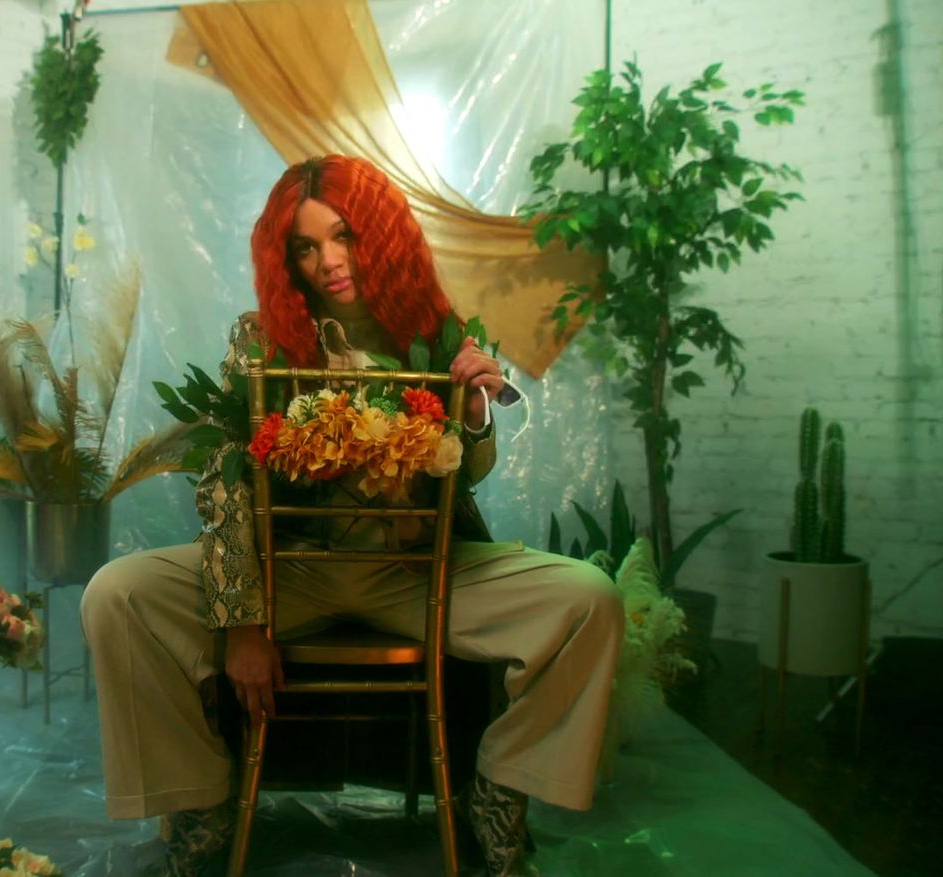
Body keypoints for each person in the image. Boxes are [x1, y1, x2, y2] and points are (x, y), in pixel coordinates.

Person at [81, 155, 624, 877]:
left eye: (342, 236)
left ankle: (501, 785)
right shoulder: (262, 339)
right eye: (304, 247)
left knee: (591, 599)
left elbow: (467, 474)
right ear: (286, 257)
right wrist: (242, 622)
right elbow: (226, 478)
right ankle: (200, 797)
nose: (327, 262)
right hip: (292, 573)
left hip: (414, 574)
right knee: (116, 594)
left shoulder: (434, 329)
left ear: (380, 234)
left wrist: (474, 412)